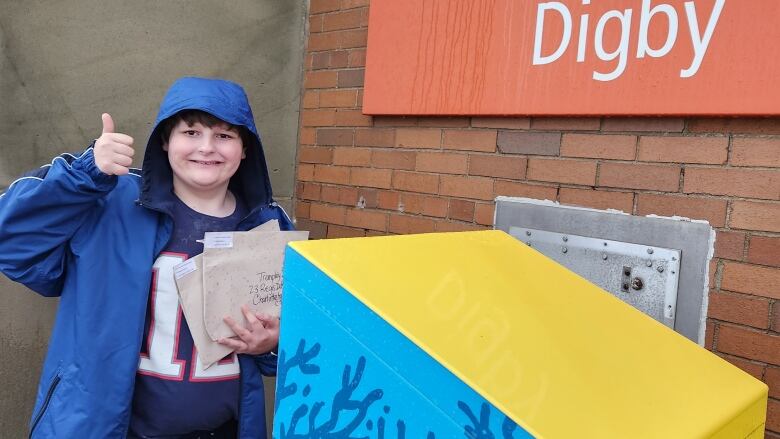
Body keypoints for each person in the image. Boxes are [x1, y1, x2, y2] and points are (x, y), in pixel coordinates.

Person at [0, 77, 293, 438]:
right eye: (191, 132)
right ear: (165, 141)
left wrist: (272, 344)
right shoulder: (111, 202)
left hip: (224, 428)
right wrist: (83, 175)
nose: (206, 147)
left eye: (224, 136)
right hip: (106, 427)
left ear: (245, 148)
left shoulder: (266, 223)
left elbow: (292, 332)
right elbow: (11, 242)